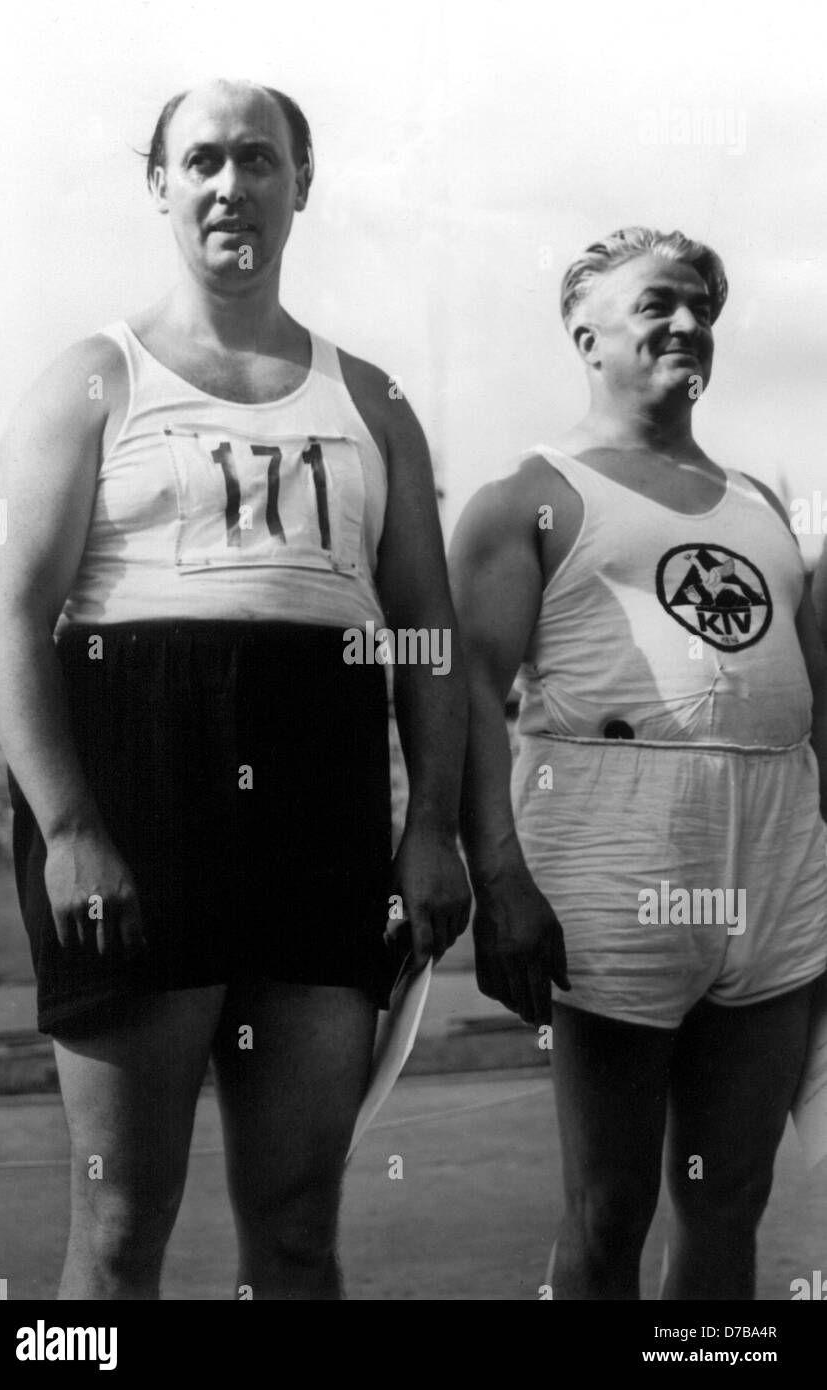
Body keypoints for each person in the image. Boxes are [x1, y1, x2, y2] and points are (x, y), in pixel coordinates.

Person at [0, 79, 470, 1301]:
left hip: (319, 811)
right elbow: (10, 617)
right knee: (117, 1228)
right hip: (140, 804)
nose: (230, 184)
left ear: (303, 182)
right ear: (160, 185)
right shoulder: (96, 378)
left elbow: (424, 629)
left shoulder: (372, 400)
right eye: (201, 160)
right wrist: (73, 832)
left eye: (259, 158)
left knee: (299, 1229)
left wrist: (430, 828)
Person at [449, 226, 827, 1300]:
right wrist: (501, 878)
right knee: (609, 1207)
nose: (689, 322)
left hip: (775, 852)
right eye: (660, 302)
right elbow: (469, 689)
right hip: (615, 852)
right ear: (584, 331)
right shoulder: (531, 494)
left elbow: (809, 692)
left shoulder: (761, 501)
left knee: (732, 1197)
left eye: (704, 306)